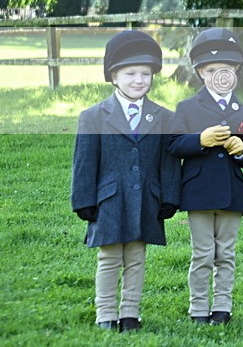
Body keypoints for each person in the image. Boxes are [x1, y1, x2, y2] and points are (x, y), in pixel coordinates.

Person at [71, 30, 180, 332]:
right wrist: (83, 199)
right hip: (109, 200)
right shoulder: (93, 117)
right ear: (114, 77)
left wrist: (169, 196)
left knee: (136, 257)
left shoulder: (163, 118)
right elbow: (84, 161)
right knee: (109, 257)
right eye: (130, 73)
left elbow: (168, 161)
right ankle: (105, 314)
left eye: (145, 74)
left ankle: (130, 313)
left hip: (147, 198)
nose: (139, 80)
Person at [168, 28, 243, 325]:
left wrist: (241, 149)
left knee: (226, 254)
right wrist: (200, 140)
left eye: (225, 70)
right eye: (210, 70)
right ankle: (198, 308)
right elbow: (173, 145)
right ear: (199, 72)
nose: (219, 76)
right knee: (203, 253)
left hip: (232, 194)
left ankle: (222, 307)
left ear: (235, 71)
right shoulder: (187, 108)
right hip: (199, 193)